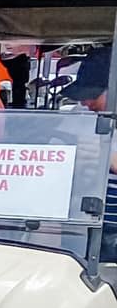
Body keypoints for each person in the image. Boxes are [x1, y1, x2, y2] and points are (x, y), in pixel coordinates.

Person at [61, 47, 117, 259]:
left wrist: (108, 158)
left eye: (93, 95)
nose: (85, 103)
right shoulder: (80, 117)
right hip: (82, 226)